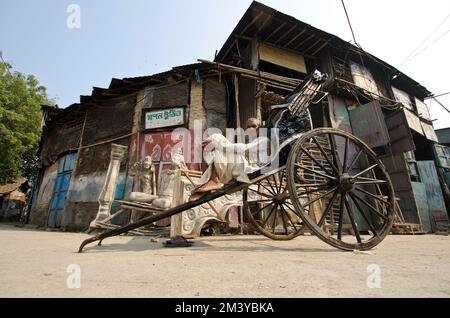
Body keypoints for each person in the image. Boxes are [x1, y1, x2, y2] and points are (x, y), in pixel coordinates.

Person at [190, 118, 268, 201]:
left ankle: (214, 180)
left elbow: (244, 149)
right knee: (216, 141)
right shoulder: (253, 140)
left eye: (253, 126)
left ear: (259, 128)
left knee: (218, 139)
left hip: (248, 167)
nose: (250, 129)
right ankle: (211, 180)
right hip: (241, 163)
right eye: (248, 127)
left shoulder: (264, 140)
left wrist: (221, 146)